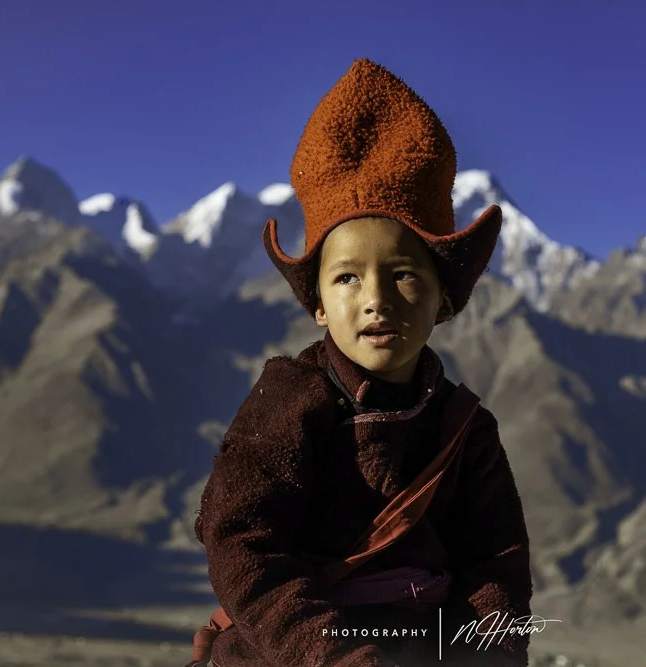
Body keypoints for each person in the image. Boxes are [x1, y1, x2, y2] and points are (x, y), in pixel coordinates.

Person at [191, 58, 532, 667]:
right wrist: (329, 656)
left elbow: (496, 571)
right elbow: (243, 548)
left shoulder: (466, 430)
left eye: (403, 275)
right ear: (318, 303)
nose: (375, 298)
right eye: (347, 276)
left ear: (444, 298)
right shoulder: (289, 403)